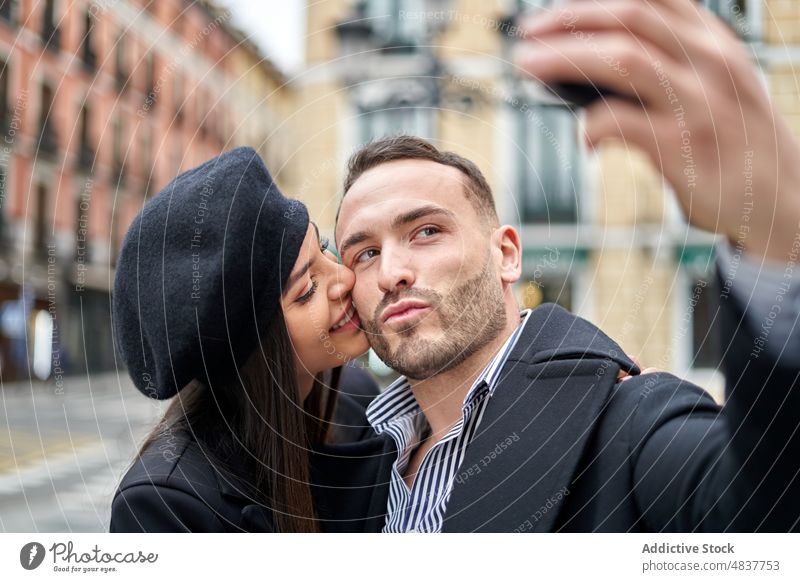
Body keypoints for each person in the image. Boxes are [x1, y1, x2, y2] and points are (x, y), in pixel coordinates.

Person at [332, 1, 800, 531]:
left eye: (426, 232)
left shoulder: (630, 425)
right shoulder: (350, 459)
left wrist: (779, 240)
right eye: (365, 253)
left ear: (506, 254)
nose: (392, 271)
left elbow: (760, 517)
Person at [109, 147, 378, 532]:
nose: (344, 279)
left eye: (323, 250)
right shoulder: (167, 503)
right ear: (251, 348)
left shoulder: (359, 400)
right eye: (306, 291)